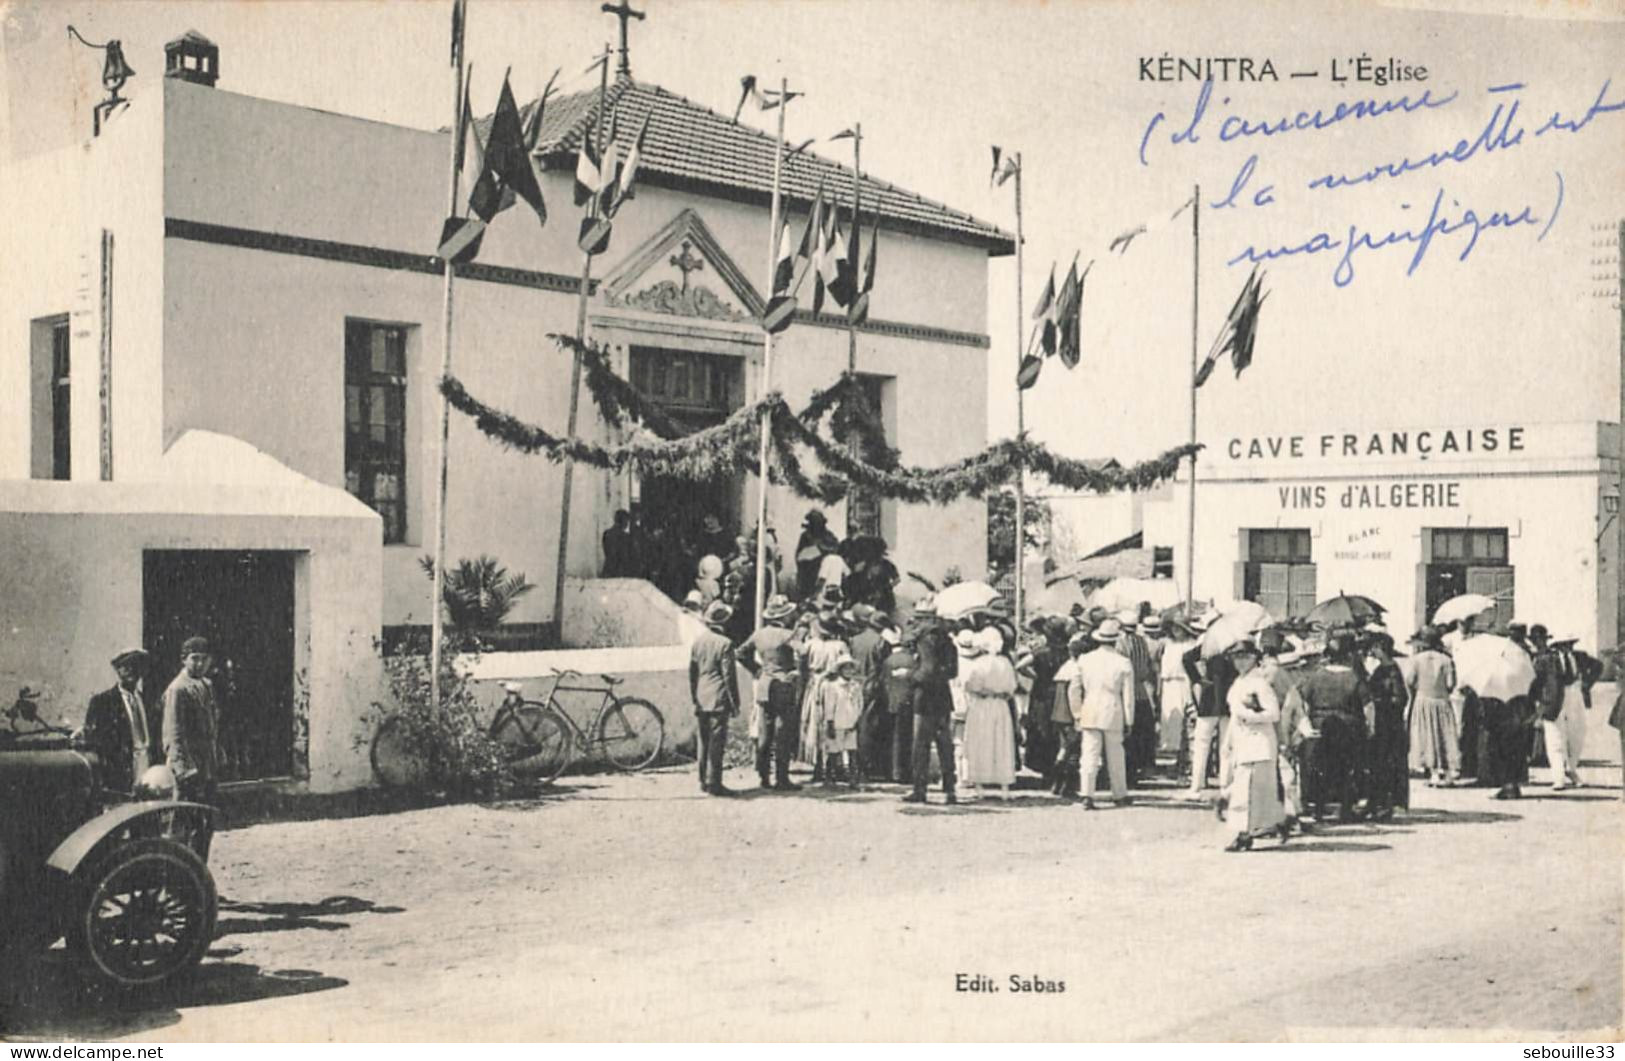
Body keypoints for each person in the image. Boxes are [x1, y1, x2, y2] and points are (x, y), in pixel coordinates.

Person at [1295, 630, 1372, 820]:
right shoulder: (1354, 678)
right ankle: (1345, 809)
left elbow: (1303, 703)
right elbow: (1368, 706)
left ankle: (1319, 808)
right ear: (1348, 656)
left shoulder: (1315, 677)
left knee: (1321, 767)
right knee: (1346, 768)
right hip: (1349, 727)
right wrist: (1370, 727)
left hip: (1320, 726)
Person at [1221, 641, 1287, 851]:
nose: (1240, 662)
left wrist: (1249, 716)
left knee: (1249, 792)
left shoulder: (1260, 683)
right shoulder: (1239, 682)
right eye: (1236, 657)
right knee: (1248, 791)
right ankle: (1274, 824)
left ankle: (1245, 834)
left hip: (1259, 742)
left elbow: (1274, 714)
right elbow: (1233, 716)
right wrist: (1228, 741)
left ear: (1254, 658)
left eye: (1244, 657)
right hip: (1243, 742)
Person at [737, 594, 801, 791]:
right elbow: (804, 651)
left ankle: (763, 775)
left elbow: (740, 653)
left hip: (765, 684)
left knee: (765, 732)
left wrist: (756, 669)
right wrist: (798, 671)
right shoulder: (787, 634)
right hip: (783, 684)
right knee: (783, 732)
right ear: (784, 615)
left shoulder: (759, 634)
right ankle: (782, 778)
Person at [1071, 618, 1133, 810]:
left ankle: (1087, 794)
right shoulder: (1123, 662)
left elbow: (1074, 689)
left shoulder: (1085, 660)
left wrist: (1077, 713)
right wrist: (1129, 719)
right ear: (1116, 640)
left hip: (1090, 706)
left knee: (1089, 754)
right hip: (1113, 707)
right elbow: (1128, 695)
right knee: (1115, 754)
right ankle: (1119, 794)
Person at [162, 636, 222, 830]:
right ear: (184, 660)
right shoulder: (178, 689)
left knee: (206, 823)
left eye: (204, 659)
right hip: (189, 770)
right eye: (194, 658)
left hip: (207, 767)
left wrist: (217, 755)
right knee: (185, 822)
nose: (200, 663)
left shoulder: (207, 685)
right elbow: (173, 734)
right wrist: (184, 770)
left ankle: (200, 860)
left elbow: (212, 726)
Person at [903, 596, 959, 805]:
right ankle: (949, 789)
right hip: (943, 696)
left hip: (925, 697)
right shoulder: (947, 640)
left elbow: (927, 670)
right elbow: (952, 671)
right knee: (945, 745)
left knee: (921, 745)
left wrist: (909, 675)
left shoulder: (926, 639)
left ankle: (920, 789)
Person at [81, 648, 160, 795]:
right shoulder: (103, 702)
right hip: (120, 773)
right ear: (117, 669)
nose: (131, 670)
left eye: (136, 665)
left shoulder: (147, 701)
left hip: (147, 767)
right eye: (126, 666)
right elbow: (94, 743)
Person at [689, 601, 742, 797]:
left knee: (704, 740)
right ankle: (715, 782)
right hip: (718, 697)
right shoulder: (725, 644)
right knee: (717, 742)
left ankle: (703, 779)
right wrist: (734, 702)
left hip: (702, 696)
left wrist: (695, 696)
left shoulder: (698, 642)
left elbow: (692, 673)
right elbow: (729, 676)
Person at [959, 627, 1017, 799]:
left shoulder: (979, 663)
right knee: (1001, 743)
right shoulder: (1005, 663)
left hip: (982, 705)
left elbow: (970, 685)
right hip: (1000, 705)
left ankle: (980, 786)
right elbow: (1012, 687)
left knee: (980, 743)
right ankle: (1004, 786)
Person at [1361, 629, 1410, 820]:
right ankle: (1381, 803)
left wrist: (1378, 701)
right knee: (1382, 764)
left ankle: (1387, 804)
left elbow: (1399, 699)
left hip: (1388, 725)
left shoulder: (1390, 670)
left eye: (1374, 647)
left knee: (1387, 764)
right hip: (1386, 724)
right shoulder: (1384, 669)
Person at [1183, 623, 1235, 799]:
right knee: (1226, 746)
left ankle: (1196, 786)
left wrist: (1198, 680)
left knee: (1201, 744)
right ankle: (1225, 786)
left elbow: (1186, 658)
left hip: (1209, 698)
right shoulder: (1235, 647)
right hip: (1228, 699)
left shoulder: (1208, 645)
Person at [797, 610, 850, 782]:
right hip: (834, 687)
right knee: (835, 724)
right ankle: (835, 766)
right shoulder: (840, 646)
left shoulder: (810, 644)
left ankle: (818, 765)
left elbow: (802, 668)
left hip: (814, 685)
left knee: (815, 724)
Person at [1406, 626, 1461, 787]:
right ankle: (1448, 771)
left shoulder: (1416, 659)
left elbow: (1410, 681)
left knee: (1427, 735)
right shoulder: (1446, 660)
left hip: (1423, 699)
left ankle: (1433, 772)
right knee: (1444, 734)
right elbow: (1451, 684)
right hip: (1442, 699)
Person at [1530, 626, 1582, 791]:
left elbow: (1596, 666)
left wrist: (1587, 684)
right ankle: (1558, 777)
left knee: (1576, 737)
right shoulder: (1545, 660)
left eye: (1571, 644)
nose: (1568, 647)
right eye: (1565, 644)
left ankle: (1571, 769)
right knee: (1555, 740)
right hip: (1553, 702)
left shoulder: (1578, 657)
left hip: (1574, 699)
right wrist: (1539, 702)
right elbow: (1535, 683)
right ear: (1556, 645)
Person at [848, 604, 892, 782]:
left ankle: (854, 765)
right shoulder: (882, 643)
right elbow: (885, 668)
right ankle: (867, 766)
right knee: (869, 726)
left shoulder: (854, 640)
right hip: (872, 685)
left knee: (853, 724)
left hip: (854, 683)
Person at [1115, 610, 1159, 786]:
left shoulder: (1120, 643)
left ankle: (1127, 772)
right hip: (1141, 691)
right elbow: (1148, 667)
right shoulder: (1142, 642)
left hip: (1124, 690)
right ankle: (1139, 768)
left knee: (1127, 735)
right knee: (1141, 734)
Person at [817, 654, 864, 788]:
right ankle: (830, 778)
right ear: (840, 670)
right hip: (837, 722)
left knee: (852, 751)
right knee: (834, 751)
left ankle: (853, 779)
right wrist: (830, 722)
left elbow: (860, 703)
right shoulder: (833, 686)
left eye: (851, 669)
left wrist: (857, 718)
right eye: (846, 669)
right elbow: (829, 705)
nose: (849, 672)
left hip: (851, 722)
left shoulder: (855, 685)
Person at [883, 623, 916, 784]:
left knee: (894, 738)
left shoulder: (888, 661)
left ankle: (893, 771)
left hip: (892, 701)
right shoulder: (911, 661)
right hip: (908, 702)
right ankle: (905, 771)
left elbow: (885, 682)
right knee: (906, 738)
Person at [795, 511, 830, 600]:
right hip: (807, 573)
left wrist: (821, 549)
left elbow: (834, 548)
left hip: (822, 573)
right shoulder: (805, 536)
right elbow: (798, 556)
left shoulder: (828, 536)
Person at [601, 509, 635, 578]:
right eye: (627, 521)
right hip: (620, 571)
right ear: (623, 521)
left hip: (608, 570)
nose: (627, 524)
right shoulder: (626, 537)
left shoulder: (607, 533)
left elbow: (606, 551)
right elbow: (625, 556)